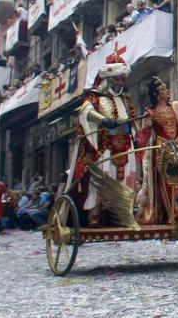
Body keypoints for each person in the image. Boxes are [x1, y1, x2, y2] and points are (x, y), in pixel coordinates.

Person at [66, 53, 141, 227]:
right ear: (108, 78)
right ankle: (95, 217)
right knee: (100, 181)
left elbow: (134, 120)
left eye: (122, 78)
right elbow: (84, 112)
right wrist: (103, 120)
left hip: (126, 144)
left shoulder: (126, 99)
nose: (120, 82)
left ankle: (121, 217)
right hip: (104, 146)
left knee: (126, 181)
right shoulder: (95, 96)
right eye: (117, 78)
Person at [135, 76, 178, 225]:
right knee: (165, 183)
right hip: (162, 151)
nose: (167, 91)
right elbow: (144, 134)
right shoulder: (151, 111)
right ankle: (171, 214)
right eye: (163, 89)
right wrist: (146, 122)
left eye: (166, 88)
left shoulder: (175, 106)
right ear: (156, 94)